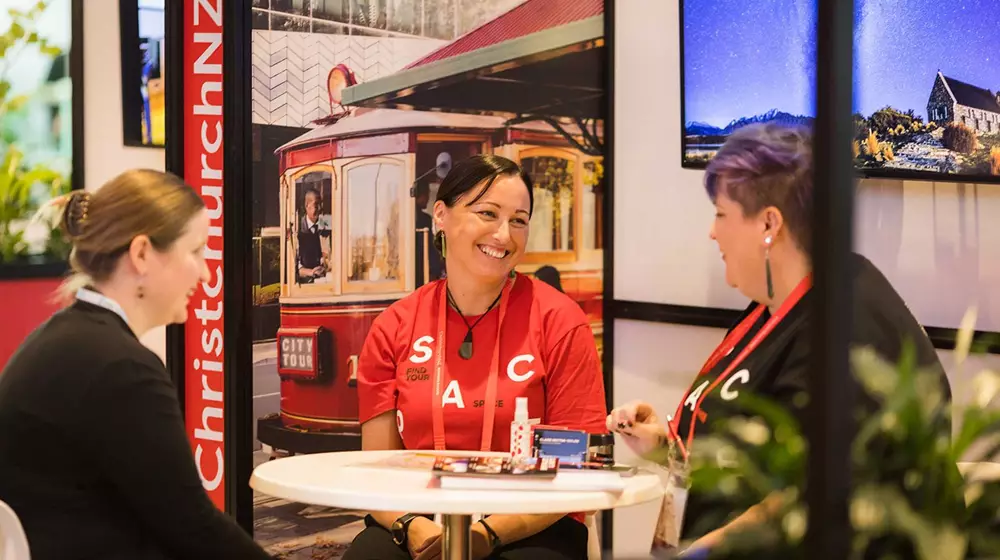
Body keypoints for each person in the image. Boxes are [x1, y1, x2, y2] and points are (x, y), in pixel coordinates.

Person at [607, 123, 950, 552]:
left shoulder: (848, 325)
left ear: (769, 223)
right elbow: (755, 455)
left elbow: (805, 499)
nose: (712, 233)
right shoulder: (778, 302)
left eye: (720, 214)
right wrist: (663, 445)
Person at [344, 155, 607, 560]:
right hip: (419, 517)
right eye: (488, 213)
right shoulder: (394, 326)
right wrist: (413, 527)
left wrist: (485, 535)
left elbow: (572, 471)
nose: (504, 234)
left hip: (531, 519)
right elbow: (377, 469)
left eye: (519, 220)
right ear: (441, 215)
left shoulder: (559, 321)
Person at [0, 170, 272, 560]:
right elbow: (195, 529)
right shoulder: (121, 369)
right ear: (141, 253)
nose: (207, 272)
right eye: (196, 251)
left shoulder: (67, 340)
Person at [297, 186, 330, 282]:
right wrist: (311, 272)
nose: (319, 208)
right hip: (304, 286)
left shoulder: (326, 223)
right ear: (307, 205)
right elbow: (294, 267)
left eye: (321, 204)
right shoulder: (297, 228)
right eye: (316, 204)